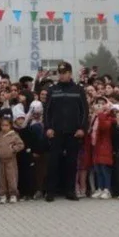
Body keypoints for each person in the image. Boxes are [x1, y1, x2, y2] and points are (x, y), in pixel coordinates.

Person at [42, 62, 88, 202]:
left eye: (64, 73)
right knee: (53, 162)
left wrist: (82, 128)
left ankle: (70, 191)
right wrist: (48, 128)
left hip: (73, 132)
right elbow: (47, 112)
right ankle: (50, 191)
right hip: (56, 132)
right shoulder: (53, 90)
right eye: (60, 73)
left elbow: (84, 111)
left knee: (71, 162)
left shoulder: (78, 89)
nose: (61, 75)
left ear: (70, 73)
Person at [0, 117, 25, 204]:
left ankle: (13, 194)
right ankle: (2, 195)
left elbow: (21, 145)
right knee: (1, 178)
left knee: (12, 177)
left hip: (11, 160)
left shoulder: (14, 136)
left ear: (10, 126)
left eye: (7, 125)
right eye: (3, 125)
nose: (4, 127)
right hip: (0, 161)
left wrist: (13, 149)